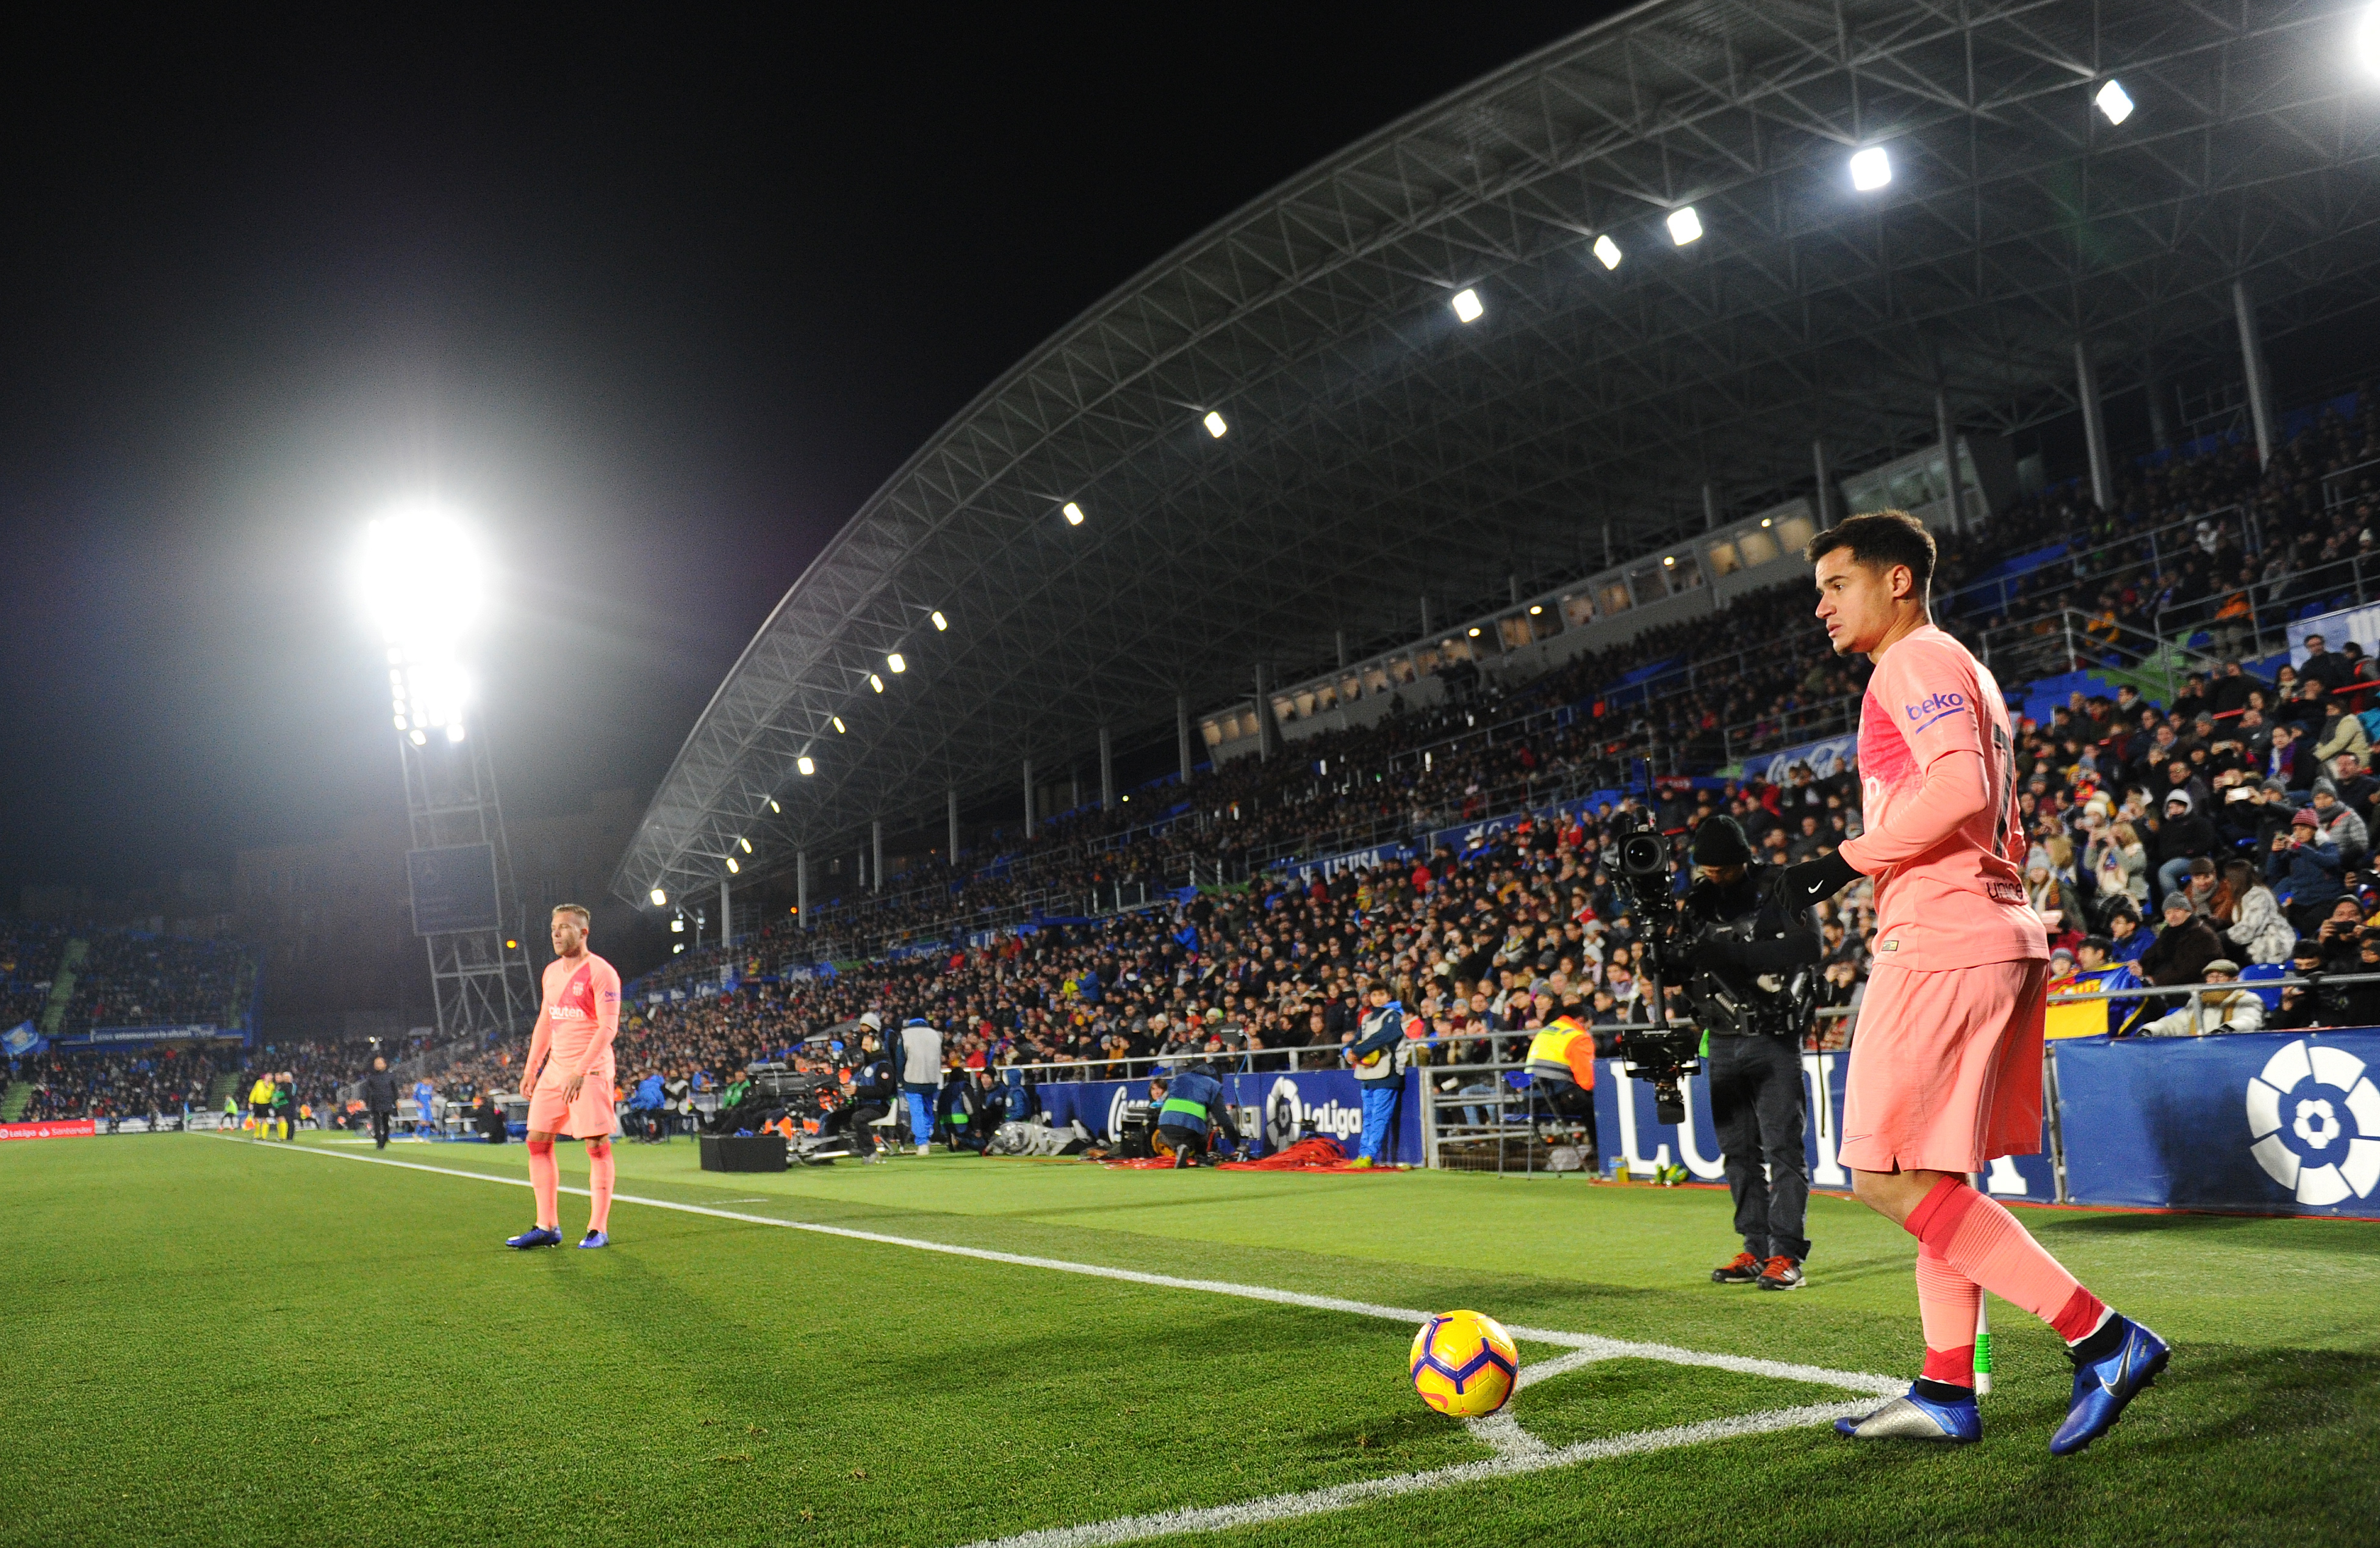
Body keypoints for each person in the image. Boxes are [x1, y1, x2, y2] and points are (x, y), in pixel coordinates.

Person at [1788, 511, 2165, 1453]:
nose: (1822, 608)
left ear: (1897, 581)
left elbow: (1959, 787)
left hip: (1943, 938)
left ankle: (2103, 1336)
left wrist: (1840, 861)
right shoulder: (1961, 667)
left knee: (1879, 1172)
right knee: (1934, 1178)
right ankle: (1946, 1388)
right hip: (1984, 928)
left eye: (1837, 585)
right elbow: (1977, 792)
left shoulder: (1910, 662)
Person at [1679, 815, 1821, 1292]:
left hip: (1772, 1034)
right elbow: (1683, 960)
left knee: (1782, 1146)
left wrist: (1734, 956)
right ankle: (1754, 1249)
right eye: (1706, 869)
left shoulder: (1780, 884)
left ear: (1742, 859)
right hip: (1719, 1036)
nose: (1713, 877)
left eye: (1721, 868)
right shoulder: (1698, 899)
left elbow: (1809, 945)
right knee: (1736, 1151)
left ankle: (1786, 1254)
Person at [506, 904, 624, 1251]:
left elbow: (608, 1027)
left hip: (590, 1070)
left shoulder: (602, 973)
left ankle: (597, 1228)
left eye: (565, 928)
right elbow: (546, 1020)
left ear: (584, 932)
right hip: (556, 1070)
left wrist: (580, 1070)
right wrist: (532, 1068)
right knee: (536, 1141)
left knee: (596, 1146)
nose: (557, 933)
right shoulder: (551, 972)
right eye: (554, 927)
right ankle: (547, 1226)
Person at [1343, 984, 1409, 1168]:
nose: (1378, 998)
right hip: (1367, 1074)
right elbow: (1355, 1039)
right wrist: (1348, 1051)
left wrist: (1358, 1051)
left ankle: (1369, 1155)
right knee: (1369, 1115)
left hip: (1387, 1073)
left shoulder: (1393, 1016)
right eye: (1374, 995)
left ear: (1389, 996)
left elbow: (1383, 1037)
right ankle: (1363, 1154)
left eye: (1382, 994)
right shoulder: (1366, 1018)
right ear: (1369, 998)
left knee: (1379, 1115)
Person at [2131, 960, 2264, 1037]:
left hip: (2231, 1051)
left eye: (2221, 976)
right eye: (2211, 977)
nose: (2215, 981)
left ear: (2234, 980)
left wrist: (2228, 1029)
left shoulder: (2247, 998)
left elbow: (2250, 1020)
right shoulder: (2198, 1000)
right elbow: (2176, 1022)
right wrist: (2150, 1030)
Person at [1151, 1060, 1239, 1168]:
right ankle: (1201, 1156)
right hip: (1191, 1132)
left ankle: (1178, 1148)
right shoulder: (1213, 1085)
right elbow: (1224, 1120)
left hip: (1165, 1128)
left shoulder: (1179, 1078)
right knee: (1207, 1117)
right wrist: (1238, 1146)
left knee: (1173, 1125)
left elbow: (1164, 1103)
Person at [896, 1015, 942, 1154]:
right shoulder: (935, 1034)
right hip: (932, 1078)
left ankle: (922, 1143)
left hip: (913, 1078)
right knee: (928, 1109)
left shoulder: (905, 1035)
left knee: (917, 1111)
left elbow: (900, 1059)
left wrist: (900, 1079)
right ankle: (927, 1135)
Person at [362, 1056, 398, 1150]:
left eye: (380, 1063)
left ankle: (385, 1138)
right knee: (376, 1123)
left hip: (387, 1101)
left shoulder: (390, 1076)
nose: (378, 1065)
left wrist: (397, 1101)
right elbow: (366, 1090)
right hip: (375, 1102)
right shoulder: (371, 1077)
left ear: (385, 1065)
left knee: (386, 1123)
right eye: (376, 1064)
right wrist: (364, 1101)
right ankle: (379, 1142)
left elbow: (395, 1089)